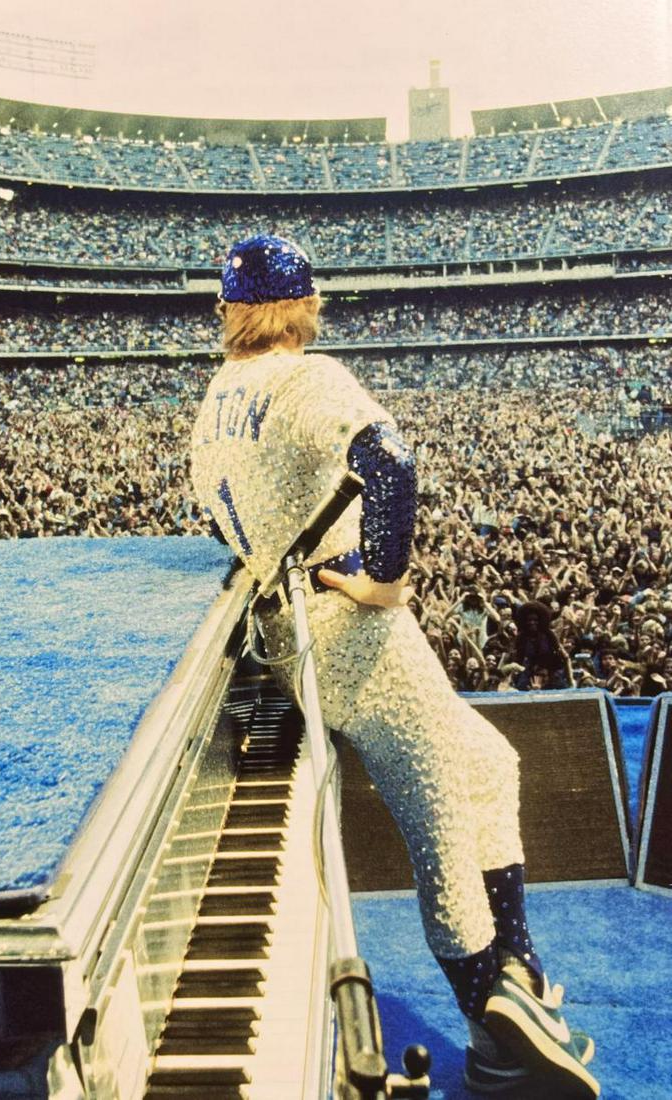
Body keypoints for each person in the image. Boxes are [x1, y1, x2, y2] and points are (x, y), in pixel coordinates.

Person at [190, 234, 599, 1098]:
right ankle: (495, 1034)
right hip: (353, 632)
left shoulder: (219, 393)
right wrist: (384, 575)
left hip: (286, 632)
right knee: (443, 828)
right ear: (301, 304)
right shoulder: (306, 376)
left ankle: (519, 984)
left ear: (235, 308)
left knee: (490, 761)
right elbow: (391, 461)